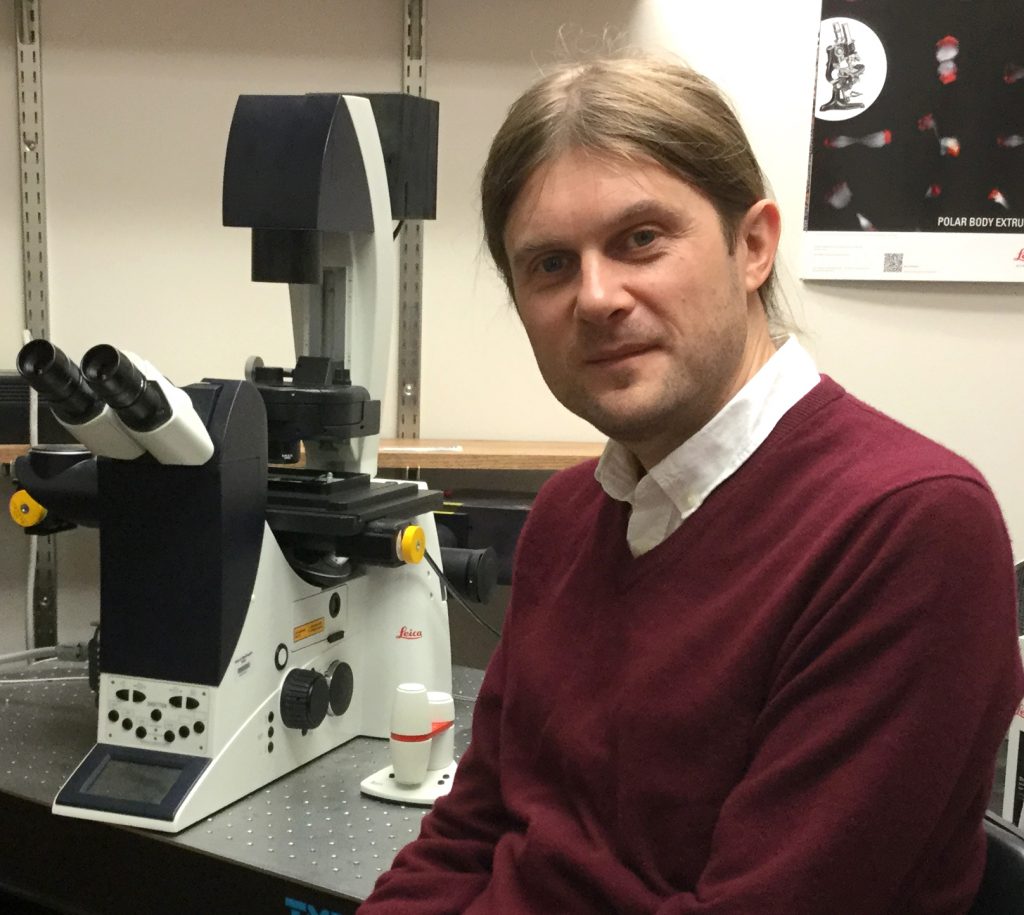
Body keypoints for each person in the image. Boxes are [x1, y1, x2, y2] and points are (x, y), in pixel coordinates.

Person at [360, 55, 1024, 914]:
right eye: (552, 265)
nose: (597, 297)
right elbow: (469, 831)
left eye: (640, 239)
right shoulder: (569, 514)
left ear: (752, 246)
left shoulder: (910, 528)